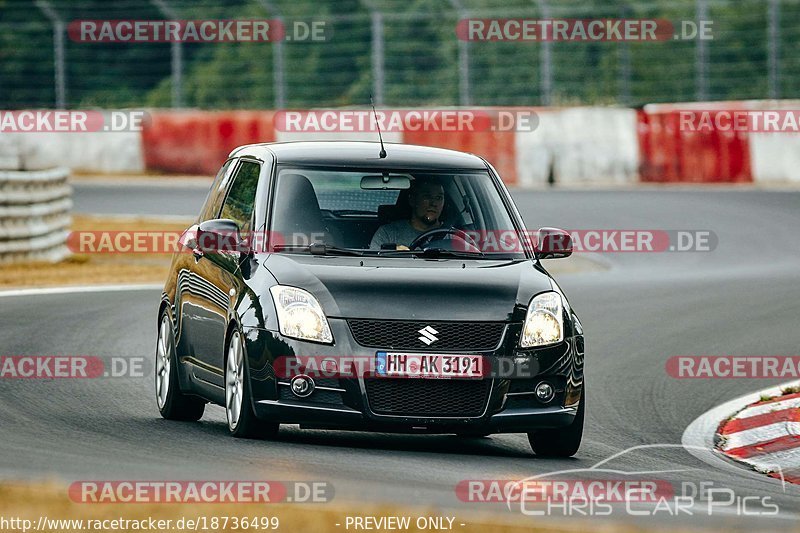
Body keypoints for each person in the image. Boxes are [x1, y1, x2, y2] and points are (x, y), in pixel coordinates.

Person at [369, 177, 445, 250]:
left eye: (439, 198)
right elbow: (372, 261)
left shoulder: (451, 236)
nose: (434, 203)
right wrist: (393, 254)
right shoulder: (388, 233)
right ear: (412, 200)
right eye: (427, 196)